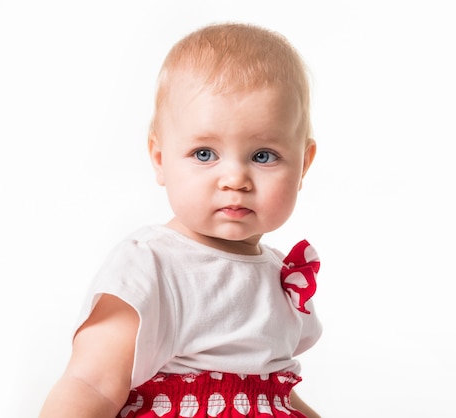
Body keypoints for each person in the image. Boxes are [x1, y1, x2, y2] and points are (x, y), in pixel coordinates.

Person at [39, 22, 323, 418]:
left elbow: (273, 391)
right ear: (160, 158)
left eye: (263, 156)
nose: (234, 180)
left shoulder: (280, 277)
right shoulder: (153, 265)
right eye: (205, 154)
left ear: (303, 165)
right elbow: (91, 384)